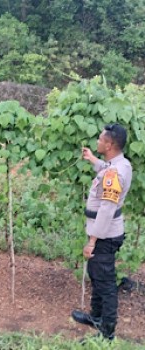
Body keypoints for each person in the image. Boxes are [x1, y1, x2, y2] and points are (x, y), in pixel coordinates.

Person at [71, 124, 132, 341]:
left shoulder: (115, 172)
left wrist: (92, 241)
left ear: (109, 144)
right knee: (97, 275)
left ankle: (107, 332)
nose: (96, 142)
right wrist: (93, 160)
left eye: (99, 139)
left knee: (105, 282)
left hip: (104, 235)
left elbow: (106, 210)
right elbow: (106, 169)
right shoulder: (118, 165)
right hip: (104, 233)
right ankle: (95, 316)